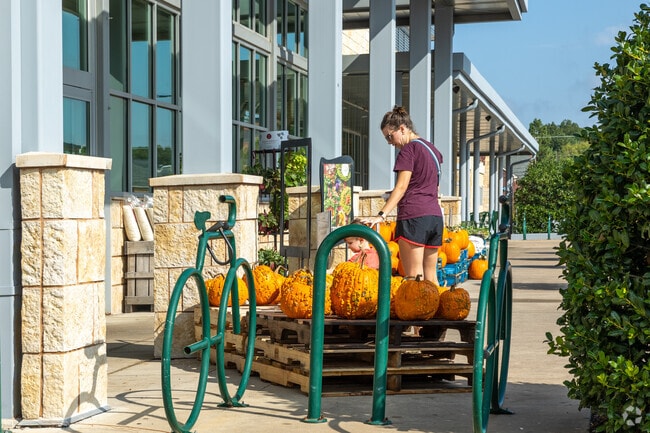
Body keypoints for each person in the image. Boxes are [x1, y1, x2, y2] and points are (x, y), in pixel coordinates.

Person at [360, 105, 444, 285]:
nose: (390, 142)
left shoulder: (408, 150)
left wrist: (381, 215)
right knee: (431, 278)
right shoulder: (432, 150)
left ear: (403, 128)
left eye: (390, 136)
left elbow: (401, 187)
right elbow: (429, 184)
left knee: (413, 277)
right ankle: (436, 313)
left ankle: (418, 313)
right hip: (435, 217)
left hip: (414, 216)